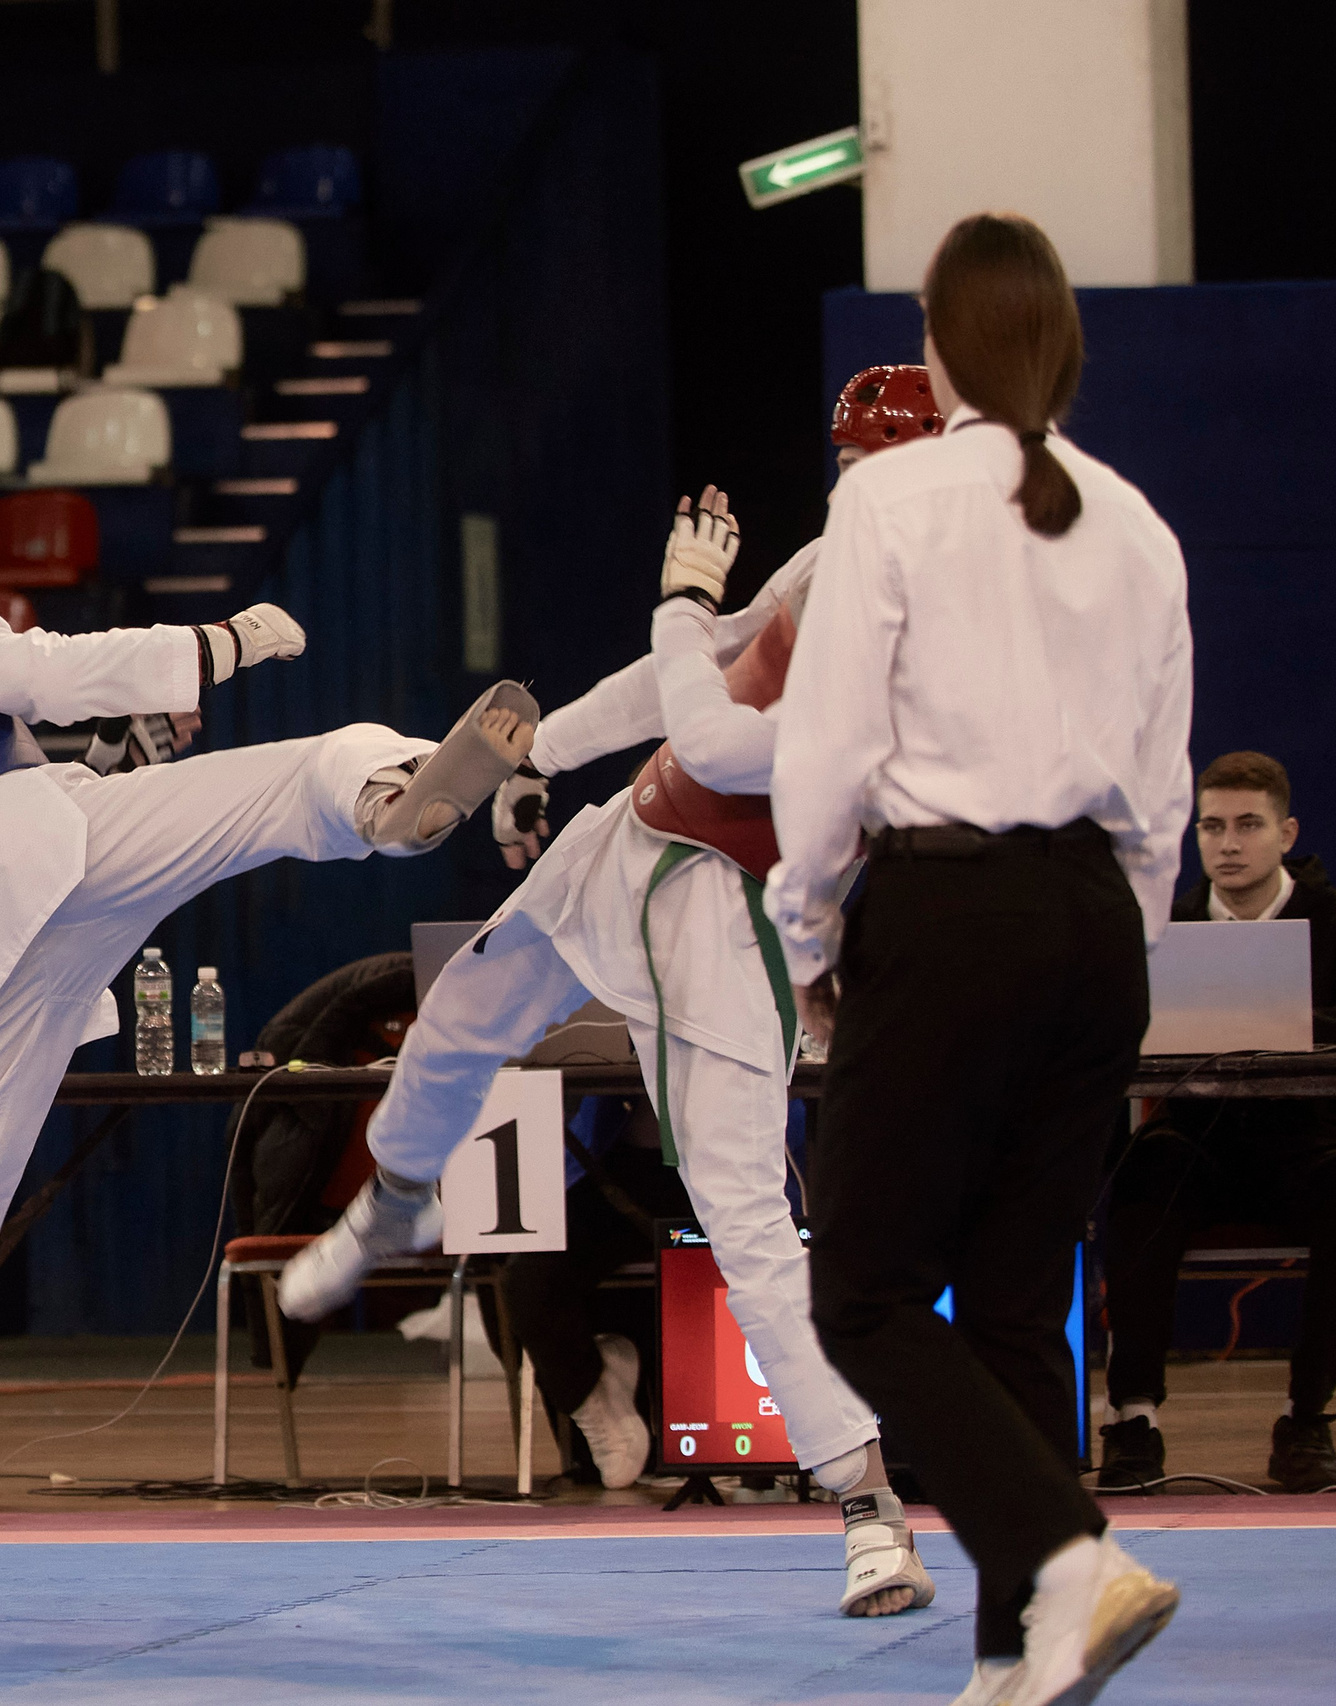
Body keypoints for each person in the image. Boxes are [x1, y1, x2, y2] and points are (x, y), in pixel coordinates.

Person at [0, 437, 534, 1607]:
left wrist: (108, 753)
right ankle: (387, 798)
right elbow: (39, 676)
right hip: (40, 857)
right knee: (297, 772)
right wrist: (209, 649)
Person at [277, 369, 948, 1623]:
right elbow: (682, 676)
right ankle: (395, 1206)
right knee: (455, 1019)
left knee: (742, 1220)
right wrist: (544, 754)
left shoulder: (929, 632)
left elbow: (711, 732)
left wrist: (678, 601)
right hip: (624, 850)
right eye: (850, 469)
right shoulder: (818, 570)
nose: (862, 493)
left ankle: (868, 1508)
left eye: (887, 471)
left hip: (732, 918)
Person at [765, 213, 1194, 1706]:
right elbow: (1165, 792)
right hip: (1092, 926)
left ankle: (1068, 1562)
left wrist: (812, 939)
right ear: (1063, 341)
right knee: (1014, 1300)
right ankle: (1021, 1650)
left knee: (867, 1297)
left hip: (947, 912)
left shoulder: (895, 501)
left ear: (939, 342)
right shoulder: (1139, 524)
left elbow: (825, 757)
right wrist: (1104, 956)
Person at [1099, 750, 1336, 1494]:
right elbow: (1115, 1019)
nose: (1228, 843)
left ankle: (1305, 1419)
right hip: (1198, 1139)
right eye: (1212, 826)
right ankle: (1135, 1421)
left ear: (1286, 832)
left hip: (1310, 1138)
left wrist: (1278, 1025)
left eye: (1247, 825)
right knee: (1141, 1178)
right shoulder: (1166, 924)